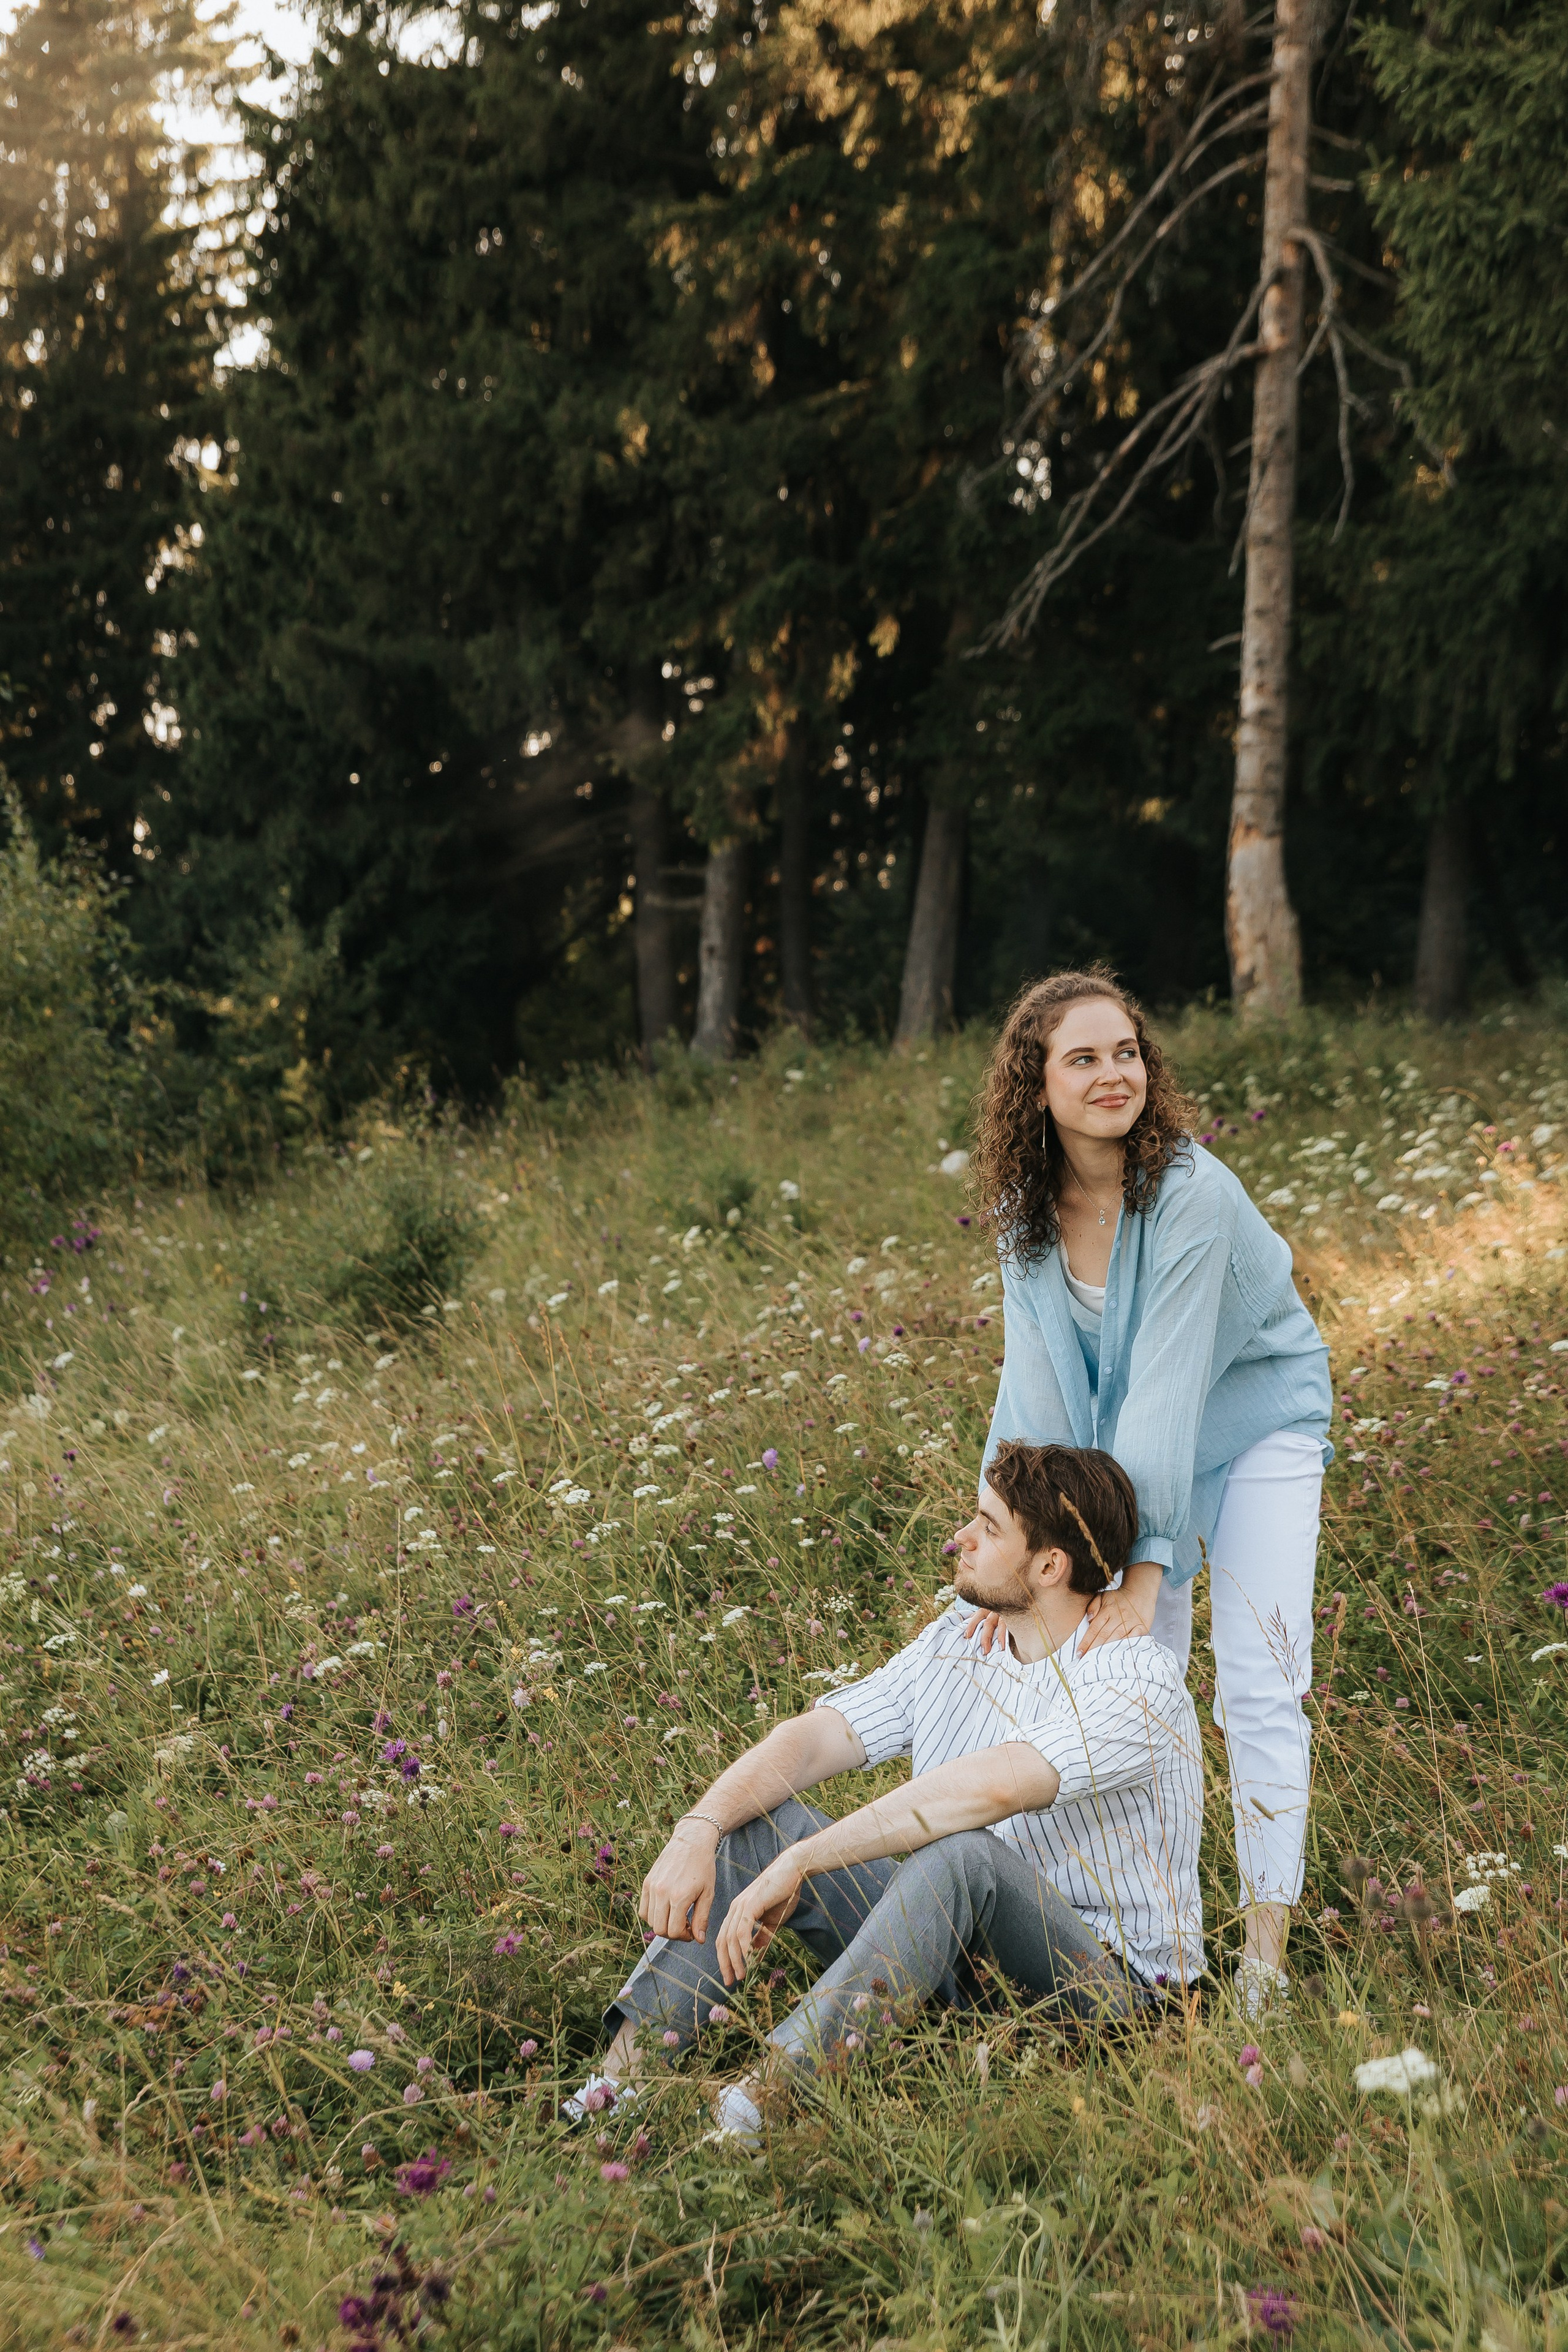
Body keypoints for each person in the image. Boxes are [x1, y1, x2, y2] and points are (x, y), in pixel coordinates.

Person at [564, 1441, 1204, 2142]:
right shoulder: (959, 1642)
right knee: (763, 1826)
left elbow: (989, 1791)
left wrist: (805, 1864)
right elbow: (812, 1739)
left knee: (960, 1854)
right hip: (958, 1958)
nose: (958, 1538)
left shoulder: (1135, 1678)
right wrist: (700, 1827)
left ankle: (759, 2107)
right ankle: (613, 2090)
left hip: (1109, 2002)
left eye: (988, 1530)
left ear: (1050, 1566)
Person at [965, 966, 1332, 2014]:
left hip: (1257, 1419)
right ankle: (1143, 1945)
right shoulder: (1022, 1214)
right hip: (1144, 1445)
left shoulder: (1193, 1194)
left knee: (1259, 1675)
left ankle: (1264, 1957)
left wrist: (1141, 1566)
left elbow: (1165, 1390)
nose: (1113, 1073)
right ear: (1037, 1085)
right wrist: (1002, 1537)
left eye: (1126, 1051)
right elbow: (1031, 1390)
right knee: (1121, 1680)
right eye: (1083, 1058)